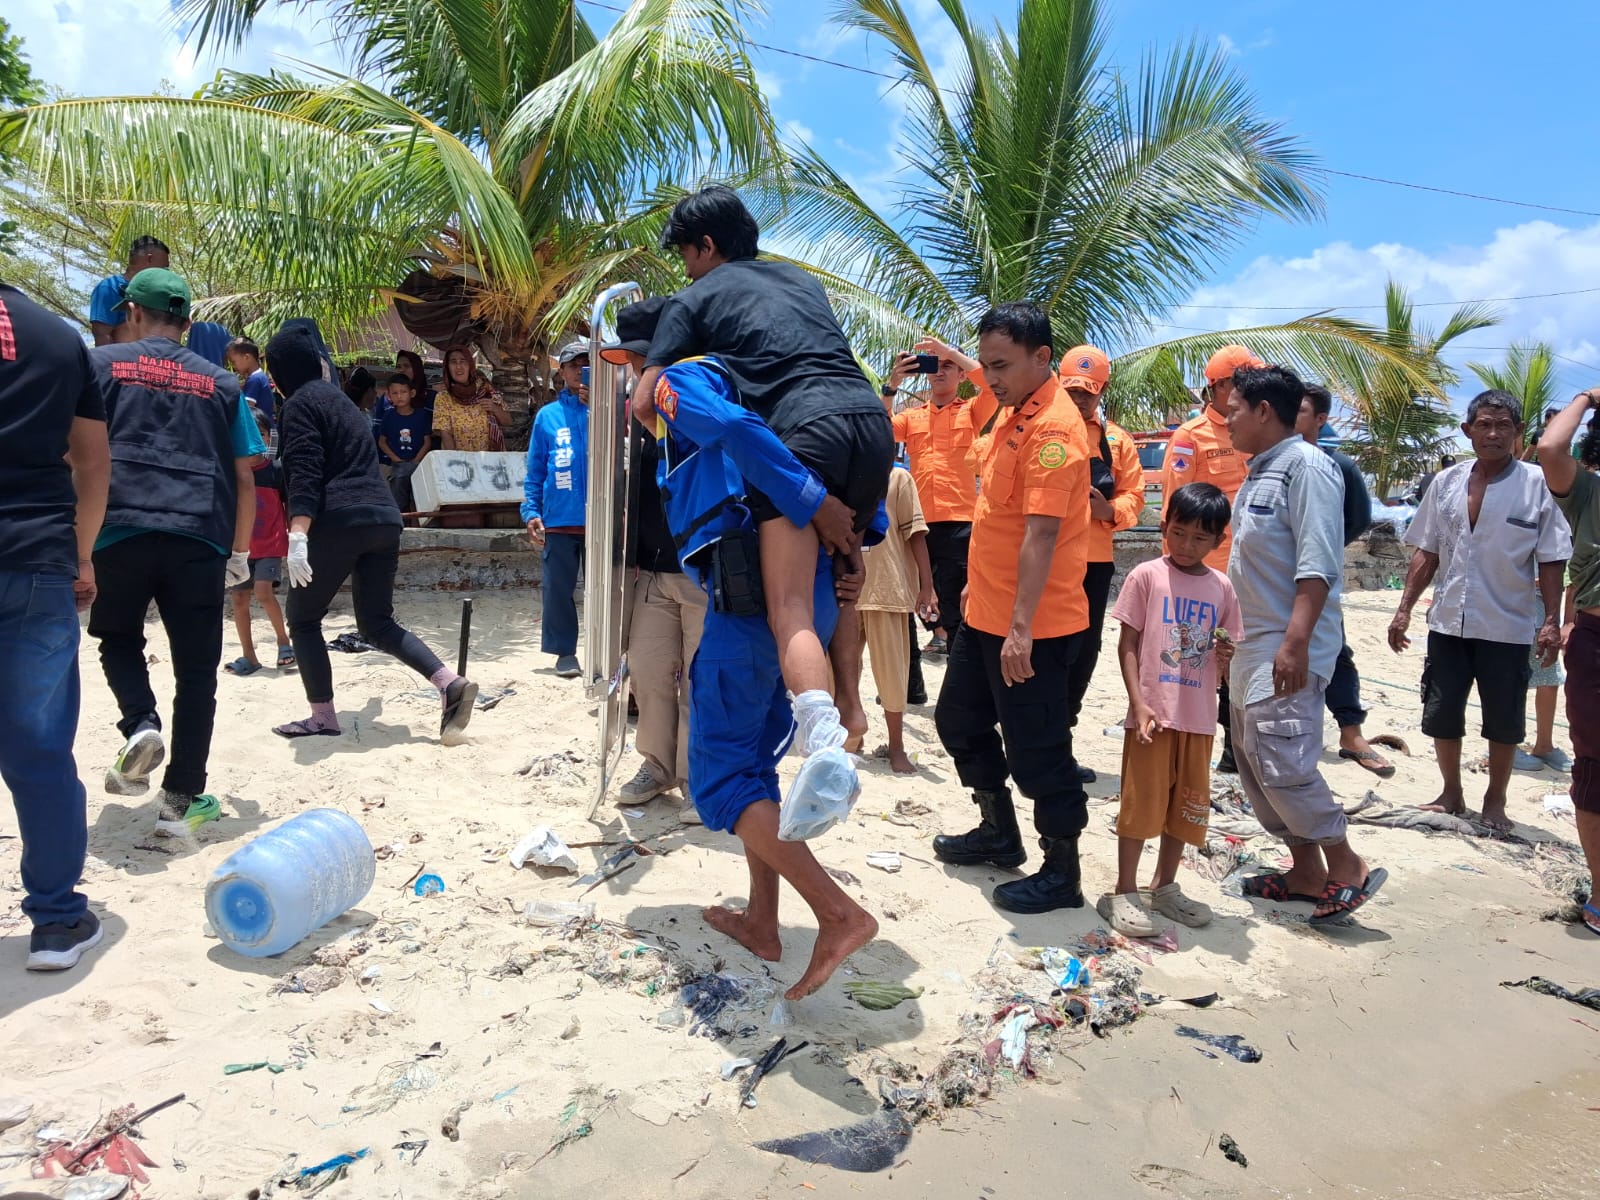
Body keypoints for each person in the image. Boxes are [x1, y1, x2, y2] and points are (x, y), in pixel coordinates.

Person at [608, 296, 877, 1000]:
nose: (633, 375)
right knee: (755, 764)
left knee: (723, 778)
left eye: (637, 358)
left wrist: (808, 500)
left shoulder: (693, 378)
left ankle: (838, 912)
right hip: (806, 598)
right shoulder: (791, 385)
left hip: (747, 603)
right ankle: (763, 919)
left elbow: (728, 430)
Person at [634, 186, 894, 769]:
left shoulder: (694, 298)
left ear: (705, 246)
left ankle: (824, 743)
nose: (686, 267)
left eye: (686, 255)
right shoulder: (804, 283)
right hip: (873, 426)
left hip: (805, 432)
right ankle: (852, 708)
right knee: (845, 570)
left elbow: (646, 403)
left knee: (791, 608)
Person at [930, 302, 1093, 914]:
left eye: (1001, 365)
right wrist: (978, 590)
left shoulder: (1053, 428)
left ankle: (1061, 871)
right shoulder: (1012, 409)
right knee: (959, 723)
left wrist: (1021, 628)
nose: (989, 376)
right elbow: (993, 516)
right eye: (987, 363)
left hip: (1035, 628)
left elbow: (1041, 534)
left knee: (1038, 748)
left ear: (1041, 358)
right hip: (986, 613)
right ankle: (999, 832)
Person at [87, 268, 262, 838]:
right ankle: (181, 799)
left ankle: (140, 723)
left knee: (118, 637)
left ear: (132, 313)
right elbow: (244, 476)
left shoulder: (100, 366)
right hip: (199, 533)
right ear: (187, 323)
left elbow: (76, 456)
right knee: (196, 670)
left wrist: (77, 542)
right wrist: (239, 552)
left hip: (119, 528)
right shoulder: (223, 384)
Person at [264, 321, 478, 741]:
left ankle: (322, 717)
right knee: (377, 623)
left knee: (304, 620)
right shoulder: (345, 404)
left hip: (339, 519)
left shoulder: (298, 404)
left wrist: (298, 533)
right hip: (384, 518)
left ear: (278, 374)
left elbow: (304, 469)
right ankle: (448, 682)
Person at [1225, 365, 1386, 924]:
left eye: (1235, 407)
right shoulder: (1261, 471)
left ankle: (1346, 865)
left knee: (1284, 762)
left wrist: (1295, 644)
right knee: (1252, 761)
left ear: (1264, 411)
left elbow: (1318, 563)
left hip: (1287, 646)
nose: (1228, 417)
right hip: (1252, 643)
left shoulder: (1308, 468)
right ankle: (1305, 870)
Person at [1389, 389, 1569, 831]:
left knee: (1504, 719)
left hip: (1508, 624)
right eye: (1484, 425)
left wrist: (1551, 621)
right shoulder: (1446, 482)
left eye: (1503, 425)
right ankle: (1451, 793)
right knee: (1442, 709)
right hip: (1449, 620)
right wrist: (1404, 608)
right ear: (1467, 431)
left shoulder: (1537, 485)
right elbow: (1426, 549)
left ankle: (1495, 802)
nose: (1492, 434)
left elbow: (1551, 559)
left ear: (1518, 432)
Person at [0, 278, 111, 970]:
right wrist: (81, 554)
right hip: (35, 558)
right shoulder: (53, 335)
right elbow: (92, 462)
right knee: (39, 750)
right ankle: (57, 922)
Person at [1105, 482, 1241, 935]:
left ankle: (1165, 886)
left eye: (1200, 538)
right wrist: (1138, 703)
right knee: (1140, 804)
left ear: (1219, 540)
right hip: (1154, 715)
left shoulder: (1222, 587)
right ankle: (1124, 891)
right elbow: (1128, 643)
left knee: (1186, 807)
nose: (1186, 545)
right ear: (1164, 528)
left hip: (1199, 718)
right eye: (1178, 533)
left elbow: (1225, 648)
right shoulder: (1146, 575)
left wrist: (1225, 656)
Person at [1161, 344, 1263, 776]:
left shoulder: (1261, 431)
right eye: (1238, 380)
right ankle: (1194, 742)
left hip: (1251, 570)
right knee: (1198, 659)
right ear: (1218, 385)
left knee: (1240, 657)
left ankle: (1236, 746)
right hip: (1207, 572)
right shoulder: (1191, 437)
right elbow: (1175, 506)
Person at [1294, 384, 1394, 778]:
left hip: (1318, 578)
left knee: (1334, 650)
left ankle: (1351, 733)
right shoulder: (1267, 461)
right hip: (1272, 583)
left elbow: (1357, 519)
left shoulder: (1340, 466)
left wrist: (1324, 550)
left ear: (1321, 419)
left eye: (1300, 410)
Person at [1057, 345, 1144, 781]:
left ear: (1102, 390)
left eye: (1087, 393)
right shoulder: (1042, 430)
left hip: (1092, 563)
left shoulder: (1117, 441)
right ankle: (1032, 739)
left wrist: (1109, 511)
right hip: (1047, 560)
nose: (1078, 400)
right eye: (1071, 390)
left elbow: (1135, 495)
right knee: (1041, 650)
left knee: (1082, 654)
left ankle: (1062, 741)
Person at [612, 417, 707, 804]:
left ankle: (696, 777)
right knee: (648, 674)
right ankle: (658, 767)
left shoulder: (707, 423)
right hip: (652, 574)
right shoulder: (643, 437)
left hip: (703, 575)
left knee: (699, 682)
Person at [1535, 385, 1600, 934]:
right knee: (1596, 769)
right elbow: (1551, 449)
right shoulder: (1589, 494)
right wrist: (1586, 397)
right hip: (1597, 643)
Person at [881, 343, 977, 655]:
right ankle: (940, 634)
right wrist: (892, 385)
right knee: (920, 588)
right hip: (919, 520)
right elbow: (879, 429)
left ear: (962, 374)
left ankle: (949, 639)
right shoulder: (912, 418)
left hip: (961, 518)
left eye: (949, 365)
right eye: (935, 365)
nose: (940, 371)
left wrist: (947, 350)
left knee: (954, 589)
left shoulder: (973, 411)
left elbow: (988, 381)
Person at [859, 465, 937, 774]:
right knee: (841, 671)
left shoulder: (898, 478)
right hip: (844, 587)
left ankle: (896, 746)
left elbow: (915, 533)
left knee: (892, 674)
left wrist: (927, 587)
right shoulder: (838, 469)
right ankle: (850, 740)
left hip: (887, 589)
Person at [522, 341, 590, 679]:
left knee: (609, 591)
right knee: (558, 591)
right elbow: (535, 470)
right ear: (560, 372)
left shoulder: (609, 410)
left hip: (603, 521)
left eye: (586, 363)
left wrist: (604, 410)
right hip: (560, 520)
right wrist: (531, 511)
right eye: (573, 364)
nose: (580, 369)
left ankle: (610, 652)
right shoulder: (547, 417)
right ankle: (565, 652)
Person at [224, 409, 294, 676]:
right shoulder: (230, 472)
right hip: (240, 546)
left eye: (261, 433)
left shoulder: (276, 470)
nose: (254, 439)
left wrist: (294, 541)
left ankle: (284, 643)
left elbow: (288, 505)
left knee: (264, 592)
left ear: (268, 437)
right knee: (239, 599)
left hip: (271, 544)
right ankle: (249, 656)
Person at [88, 235, 169, 346]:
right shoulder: (110, 287)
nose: (166, 272)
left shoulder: (158, 293)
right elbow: (102, 336)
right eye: (164, 267)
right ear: (149, 259)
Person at [433, 343, 510, 452]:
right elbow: (446, 435)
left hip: (490, 460)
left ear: (470, 365)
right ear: (447, 367)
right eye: (453, 362)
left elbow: (508, 421)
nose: (458, 366)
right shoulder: (443, 398)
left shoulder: (486, 390)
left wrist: (494, 408)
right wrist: (454, 462)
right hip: (460, 462)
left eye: (463, 361)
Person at [377, 373, 434, 514]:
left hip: (418, 464)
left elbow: (427, 442)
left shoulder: (421, 415)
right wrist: (395, 458)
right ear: (388, 396)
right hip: (398, 465)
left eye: (403, 392)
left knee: (418, 498)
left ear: (412, 393)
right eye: (395, 393)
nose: (399, 396)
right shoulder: (389, 416)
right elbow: (382, 442)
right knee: (399, 497)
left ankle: (417, 523)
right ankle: (401, 523)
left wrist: (416, 460)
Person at [227, 337, 279, 428]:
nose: (233, 367)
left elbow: (246, 410)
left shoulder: (254, 380)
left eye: (233, 362)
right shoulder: (260, 376)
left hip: (260, 433)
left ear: (247, 357)